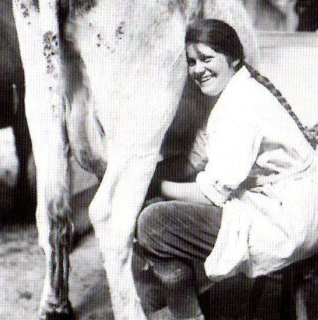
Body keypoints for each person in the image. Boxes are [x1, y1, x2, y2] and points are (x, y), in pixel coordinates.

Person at [136, 19, 318, 320]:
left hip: (286, 221)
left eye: (207, 59)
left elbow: (212, 194)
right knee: (160, 212)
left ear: (232, 57)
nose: (198, 70)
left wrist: (155, 187)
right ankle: (191, 299)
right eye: (191, 62)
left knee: (153, 222)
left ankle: (189, 314)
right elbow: (195, 160)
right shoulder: (236, 91)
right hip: (284, 206)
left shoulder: (240, 107)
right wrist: (145, 173)